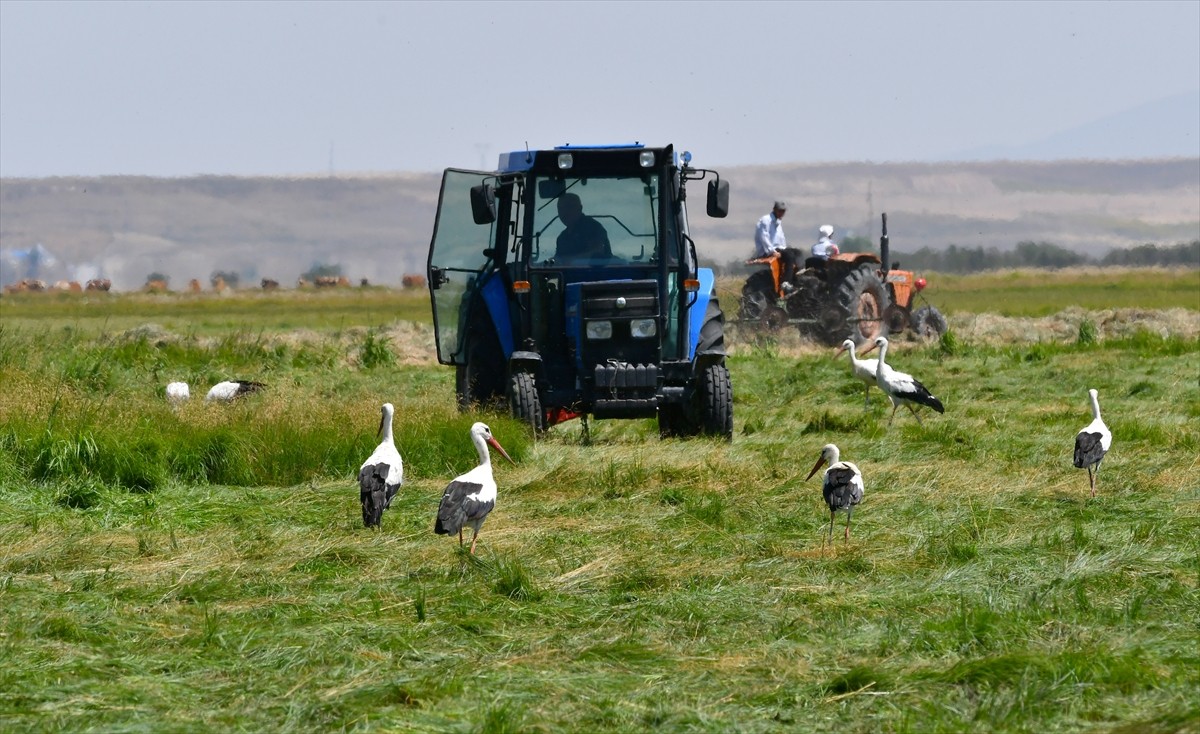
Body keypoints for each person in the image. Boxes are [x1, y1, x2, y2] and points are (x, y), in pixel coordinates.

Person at [554, 193, 611, 261]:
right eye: (560, 208)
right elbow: (557, 260)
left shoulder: (593, 227)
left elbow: (597, 253)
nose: (564, 212)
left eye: (569, 207)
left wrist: (570, 261)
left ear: (580, 208)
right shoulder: (562, 237)